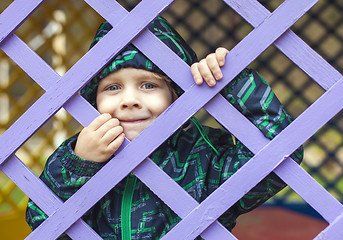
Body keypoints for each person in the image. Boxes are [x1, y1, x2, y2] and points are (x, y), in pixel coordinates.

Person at [26, 16, 303, 239]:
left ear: (175, 94)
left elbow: (277, 157)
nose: (130, 101)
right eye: (113, 87)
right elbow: (41, 221)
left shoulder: (203, 156)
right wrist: (80, 164)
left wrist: (227, 80)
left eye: (149, 85)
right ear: (93, 100)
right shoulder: (80, 154)